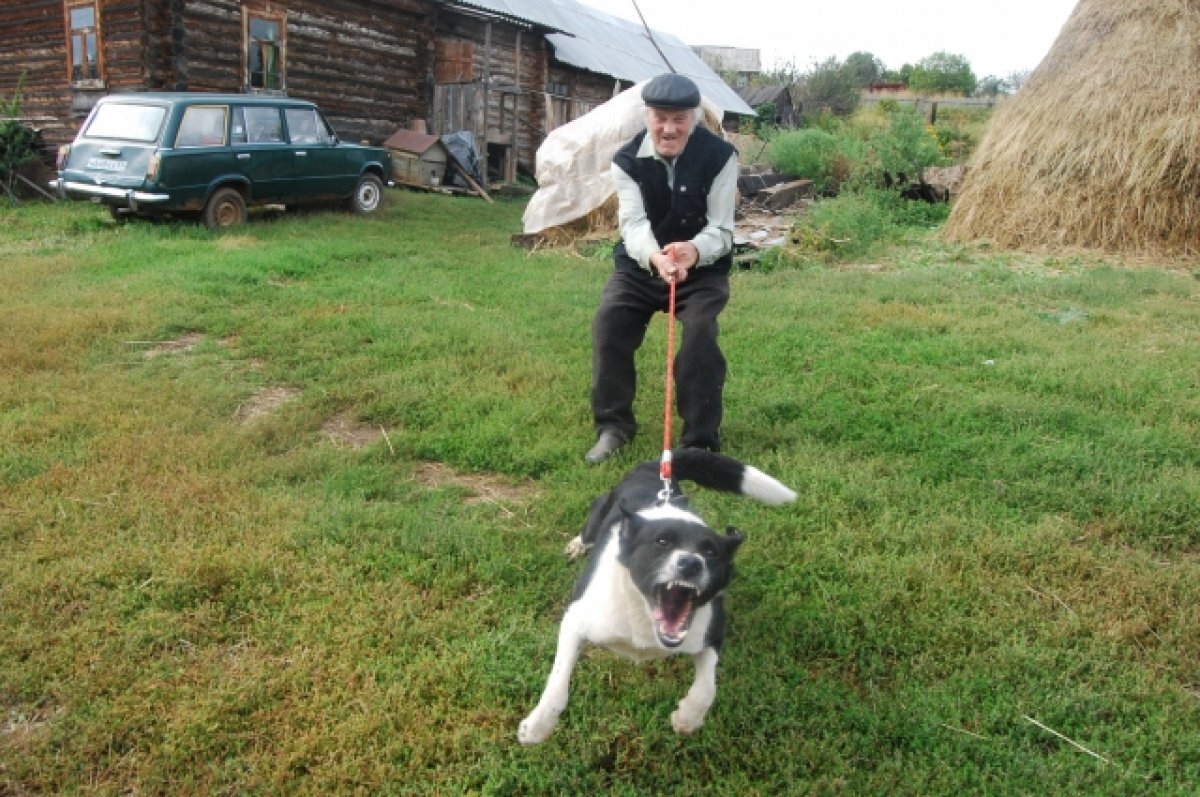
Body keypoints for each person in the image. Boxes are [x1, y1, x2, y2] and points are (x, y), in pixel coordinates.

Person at [585, 73, 739, 464]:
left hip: (700, 269)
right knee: (610, 322)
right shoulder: (626, 160)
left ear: (694, 118)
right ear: (647, 115)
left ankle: (699, 441)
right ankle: (613, 426)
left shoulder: (720, 156)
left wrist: (691, 251)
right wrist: (656, 258)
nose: (669, 128)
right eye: (660, 117)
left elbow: (721, 229)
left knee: (700, 335)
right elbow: (633, 225)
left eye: (680, 119)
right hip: (641, 266)